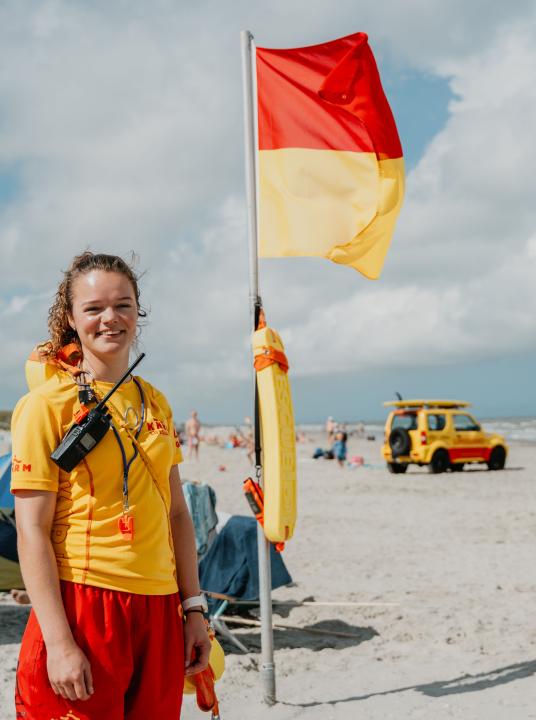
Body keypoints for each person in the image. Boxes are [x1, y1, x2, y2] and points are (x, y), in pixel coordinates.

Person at [11, 252, 210, 719]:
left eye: (123, 304)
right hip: (84, 602)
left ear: (138, 311)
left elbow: (177, 514)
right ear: (70, 318)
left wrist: (194, 609)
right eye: (94, 307)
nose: (110, 318)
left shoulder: (155, 402)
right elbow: (30, 531)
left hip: (160, 608)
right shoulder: (46, 405)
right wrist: (59, 643)